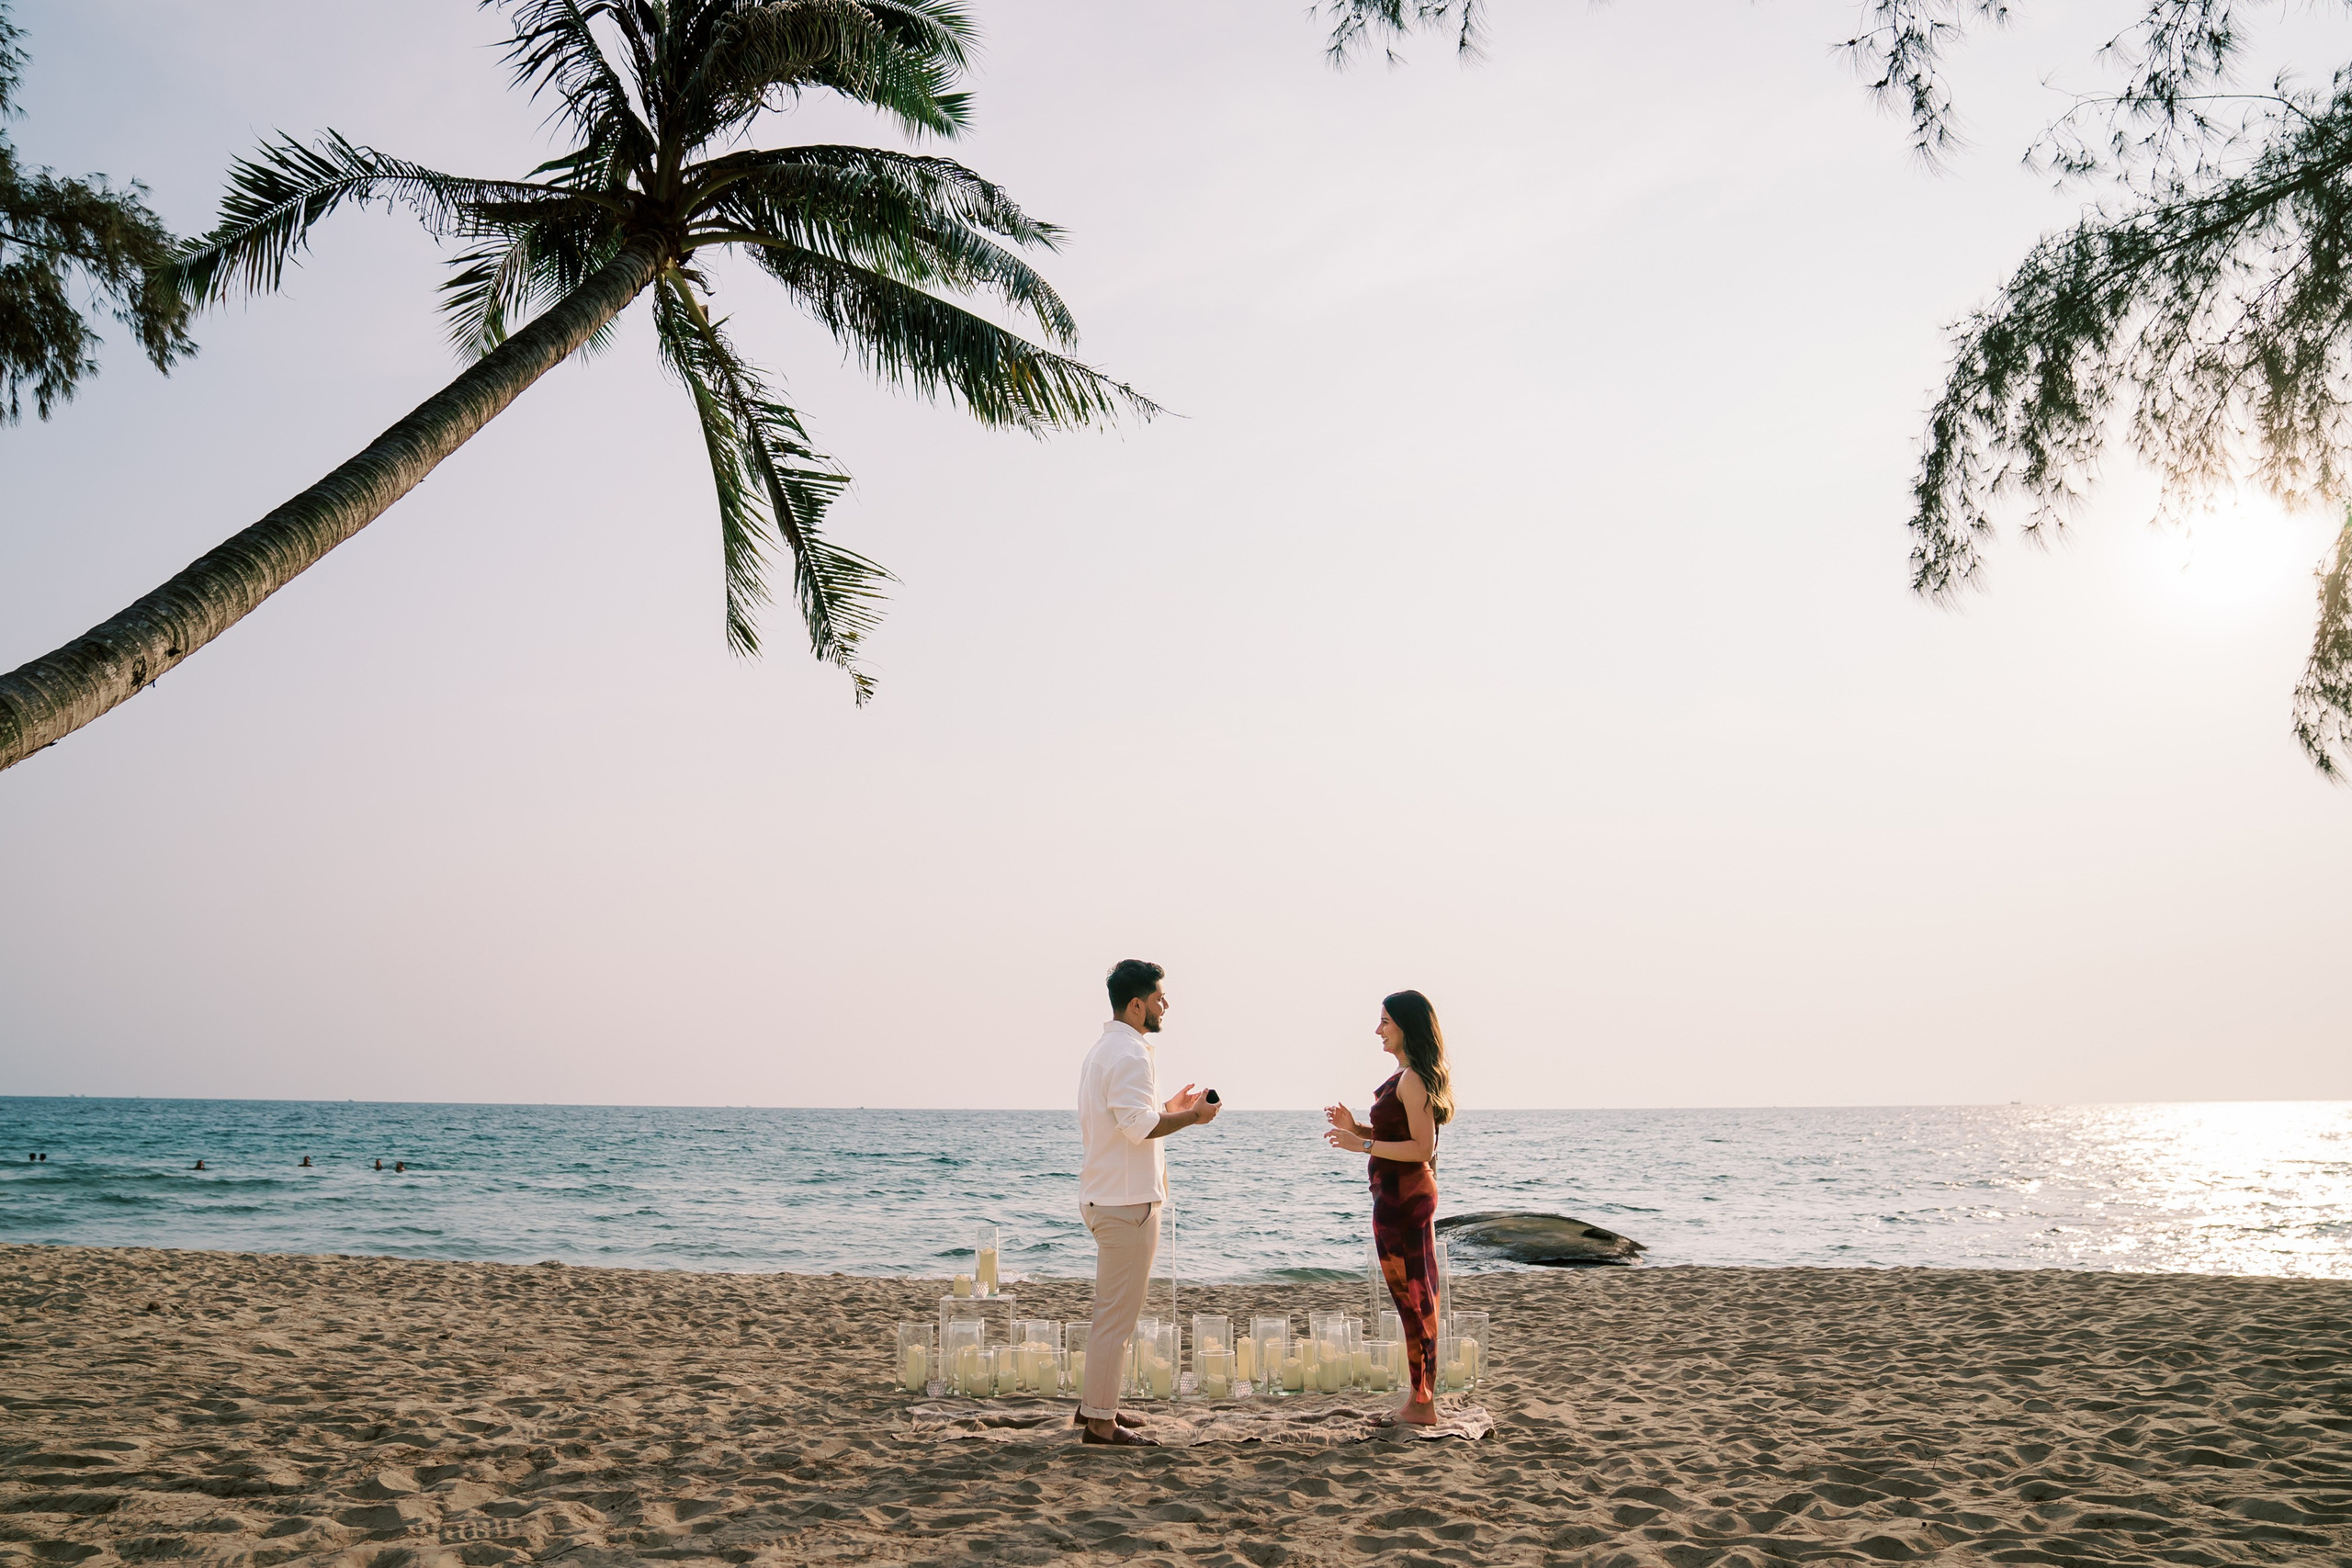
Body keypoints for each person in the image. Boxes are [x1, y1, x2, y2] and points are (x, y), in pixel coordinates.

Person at [1073, 958, 1220, 1446]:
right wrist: (1194, 1118)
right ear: (1136, 1006)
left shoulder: (1105, 1049)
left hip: (1107, 1196)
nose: (1166, 1004)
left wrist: (1170, 1111)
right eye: (1159, 998)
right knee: (1116, 1317)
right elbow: (1139, 1128)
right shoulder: (1130, 1054)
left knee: (1112, 1312)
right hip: (1126, 1203)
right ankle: (1099, 1420)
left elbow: (1130, 1119)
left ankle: (1098, 1404)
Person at [1324, 989, 1454, 1427]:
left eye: (1385, 1022)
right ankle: (1420, 1400)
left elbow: (1421, 1147)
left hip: (1405, 1199)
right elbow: (1398, 1136)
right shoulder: (1404, 1077)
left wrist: (1360, 1144)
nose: (1378, 1030)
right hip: (1395, 1195)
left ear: (1406, 1026)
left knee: (1416, 1300)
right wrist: (1355, 1127)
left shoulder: (1413, 1078)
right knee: (1409, 1300)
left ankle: (1423, 1405)